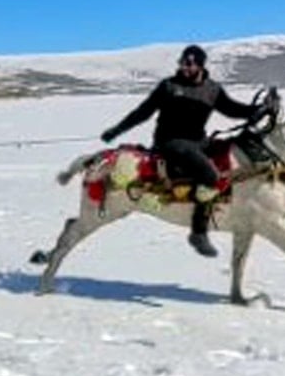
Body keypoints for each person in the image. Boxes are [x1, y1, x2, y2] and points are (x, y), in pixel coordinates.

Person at [99, 45, 273, 257]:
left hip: (199, 141)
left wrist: (259, 110)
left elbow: (233, 109)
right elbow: (142, 113)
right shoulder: (169, 87)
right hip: (170, 142)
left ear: (200, 65)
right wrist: (116, 130)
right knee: (209, 175)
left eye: (189, 63)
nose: (185, 67)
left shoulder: (212, 90)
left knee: (233, 152)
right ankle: (199, 232)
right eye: (183, 62)